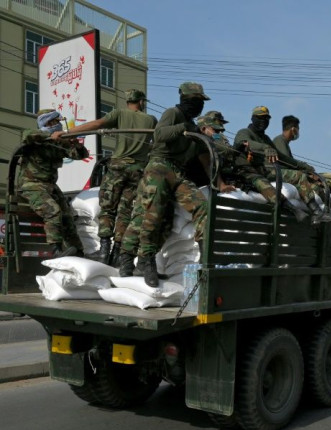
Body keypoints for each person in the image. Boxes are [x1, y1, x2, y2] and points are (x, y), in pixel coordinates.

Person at [118, 82, 234, 287]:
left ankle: (206, 256)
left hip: (178, 173)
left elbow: (205, 160)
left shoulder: (194, 128)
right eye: (197, 101)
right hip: (159, 166)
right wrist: (183, 128)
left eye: (201, 102)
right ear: (187, 99)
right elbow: (159, 134)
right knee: (152, 215)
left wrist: (221, 184)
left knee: (201, 205)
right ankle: (144, 261)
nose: (199, 106)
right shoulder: (173, 114)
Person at [53, 89, 157, 265]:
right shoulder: (151, 120)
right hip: (138, 170)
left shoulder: (119, 114)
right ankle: (117, 252)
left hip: (118, 167)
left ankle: (103, 251)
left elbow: (96, 124)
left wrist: (68, 132)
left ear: (127, 101)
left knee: (108, 209)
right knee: (125, 212)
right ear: (141, 102)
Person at [233, 106, 331, 225]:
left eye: (266, 119)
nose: (263, 121)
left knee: (310, 180)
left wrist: (304, 166)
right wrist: (265, 148)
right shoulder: (244, 132)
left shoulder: (265, 138)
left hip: (268, 170)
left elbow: (283, 158)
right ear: (252, 118)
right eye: (260, 118)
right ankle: (317, 213)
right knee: (298, 176)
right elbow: (244, 143)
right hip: (258, 171)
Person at [18, 109, 88, 257]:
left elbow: (81, 155)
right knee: (53, 211)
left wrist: (75, 143)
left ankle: (78, 251)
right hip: (32, 185)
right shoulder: (35, 137)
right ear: (48, 122)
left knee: (68, 217)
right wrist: (51, 136)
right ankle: (56, 251)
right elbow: (27, 135)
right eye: (56, 122)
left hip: (50, 186)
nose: (59, 125)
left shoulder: (59, 142)